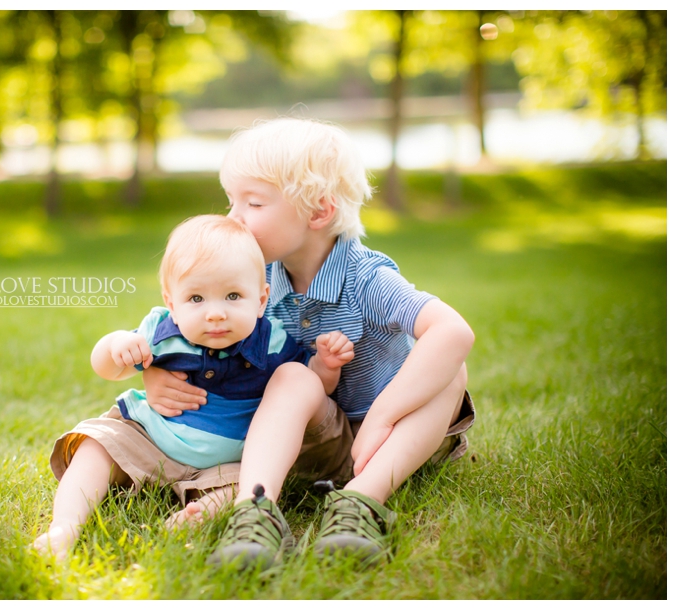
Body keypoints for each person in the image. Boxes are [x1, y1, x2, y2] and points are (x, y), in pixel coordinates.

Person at [143, 118, 476, 568]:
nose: (232, 218)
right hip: (320, 437)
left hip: (398, 438)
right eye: (231, 201)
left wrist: (382, 417)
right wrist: (156, 371)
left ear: (318, 212)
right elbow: (192, 323)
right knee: (292, 374)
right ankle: (255, 508)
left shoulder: (366, 277)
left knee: (451, 369)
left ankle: (361, 500)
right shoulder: (256, 281)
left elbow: (455, 331)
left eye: (253, 203)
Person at [33, 214, 354, 559]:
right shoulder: (161, 329)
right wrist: (116, 346)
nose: (215, 314)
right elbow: (108, 369)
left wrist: (325, 365)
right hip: (151, 438)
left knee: (244, 484)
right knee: (97, 447)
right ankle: (65, 526)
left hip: (227, 463)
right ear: (172, 303)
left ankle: (195, 517)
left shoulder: (272, 341)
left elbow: (308, 391)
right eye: (196, 299)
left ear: (261, 300)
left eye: (233, 296)